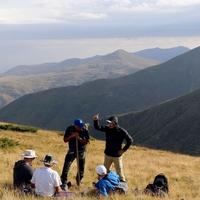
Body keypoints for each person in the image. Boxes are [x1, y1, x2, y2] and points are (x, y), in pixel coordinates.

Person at [93, 114, 133, 182]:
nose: (109, 124)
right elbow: (98, 127)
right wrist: (95, 120)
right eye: (108, 123)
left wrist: (123, 150)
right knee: (104, 171)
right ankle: (104, 184)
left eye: (110, 123)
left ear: (115, 123)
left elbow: (130, 140)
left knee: (119, 171)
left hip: (117, 156)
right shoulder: (108, 129)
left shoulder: (122, 131)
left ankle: (122, 186)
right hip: (107, 155)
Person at [61, 119, 90, 189]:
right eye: (78, 126)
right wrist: (72, 136)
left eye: (81, 126)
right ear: (75, 125)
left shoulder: (85, 129)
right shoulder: (69, 129)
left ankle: (78, 181)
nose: (80, 127)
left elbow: (86, 141)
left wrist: (79, 138)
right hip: (71, 150)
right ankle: (63, 181)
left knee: (81, 168)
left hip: (81, 151)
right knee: (66, 166)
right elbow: (65, 140)